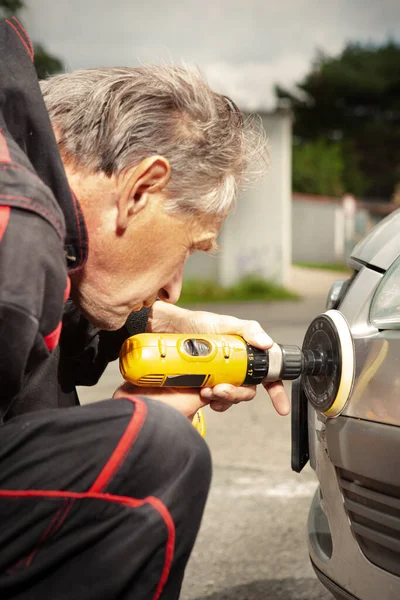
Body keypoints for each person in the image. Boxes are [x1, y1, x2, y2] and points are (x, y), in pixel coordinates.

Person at [0, 17, 289, 600]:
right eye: (189, 247)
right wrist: (124, 444)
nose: (176, 289)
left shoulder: (21, 172)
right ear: (140, 189)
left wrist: (152, 323)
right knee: (158, 451)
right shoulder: (16, 233)